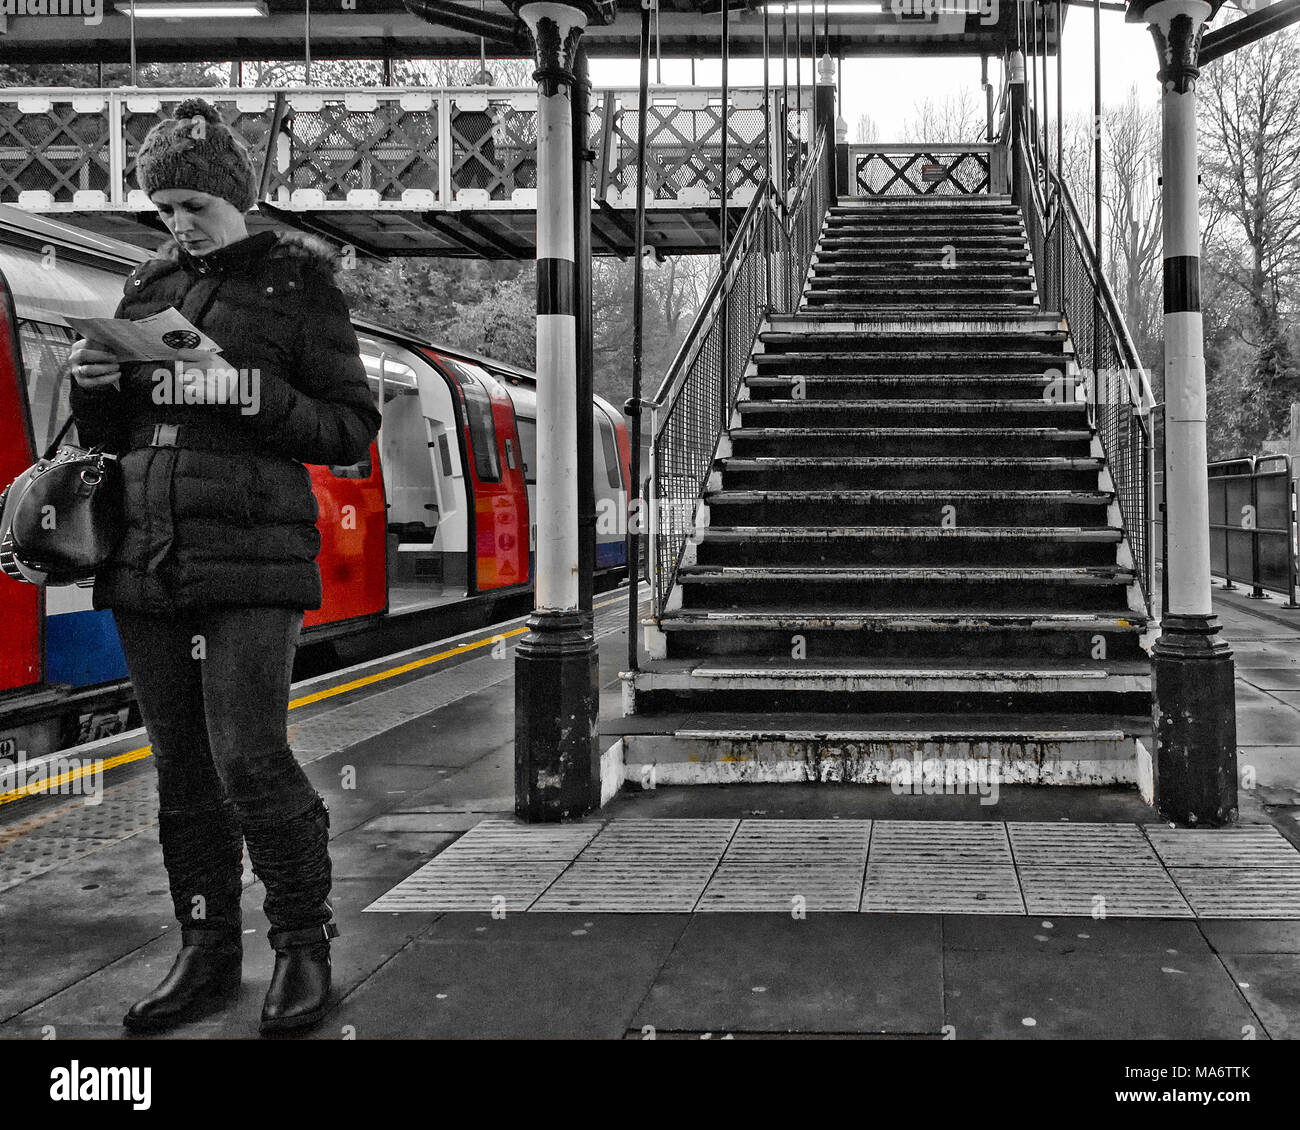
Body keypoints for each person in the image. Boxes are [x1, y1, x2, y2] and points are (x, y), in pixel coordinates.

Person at [67, 97, 381, 1036]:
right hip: (146, 553)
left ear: (237, 199)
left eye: (193, 205)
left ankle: (301, 943)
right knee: (181, 773)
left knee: (248, 756)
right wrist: (95, 394)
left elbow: (350, 430)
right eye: (164, 208)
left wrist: (245, 392)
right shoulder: (148, 286)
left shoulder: (300, 287)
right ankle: (206, 947)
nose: (177, 224)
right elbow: (116, 438)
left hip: (252, 553)